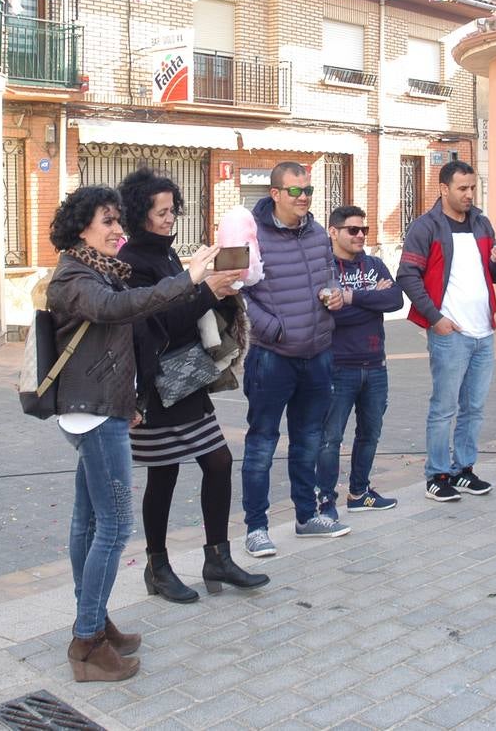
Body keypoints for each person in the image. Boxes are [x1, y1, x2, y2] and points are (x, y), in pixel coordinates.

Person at [46, 185, 230, 682]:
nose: (117, 230)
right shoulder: (74, 277)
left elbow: (125, 332)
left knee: (88, 523)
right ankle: (87, 643)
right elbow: (119, 310)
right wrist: (189, 280)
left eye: (118, 220)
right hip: (92, 413)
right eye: (107, 221)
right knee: (113, 526)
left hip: (103, 406)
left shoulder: (97, 271)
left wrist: (130, 400)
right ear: (81, 226)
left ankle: (93, 621)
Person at [117, 169, 266, 604]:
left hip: (187, 381)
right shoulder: (133, 263)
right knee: (163, 475)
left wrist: (215, 287)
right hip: (158, 386)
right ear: (139, 214)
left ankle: (216, 557)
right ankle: (157, 566)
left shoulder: (165, 255)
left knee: (218, 461)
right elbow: (158, 324)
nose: (169, 220)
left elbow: (182, 310)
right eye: (161, 212)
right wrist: (207, 291)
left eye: (172, 211)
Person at [240, 162, 347, 558]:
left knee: (308, 441)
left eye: (309, 192)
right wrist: (272, 329)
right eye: (296, 192)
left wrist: (334, 293)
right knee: (262, 444)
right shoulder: (250, 236)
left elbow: (329, 276)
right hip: (273, 357)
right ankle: (256, 527)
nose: (304, 199)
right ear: (275, 194)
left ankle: (306, 516)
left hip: (317, 354)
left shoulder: (319, 234)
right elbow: (235, 292)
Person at [398, 160, 496, 501]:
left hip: (483, 331)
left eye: (472, 188)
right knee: (444, 407)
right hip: (450, 332)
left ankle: (464, 470)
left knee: (474, 407)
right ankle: (437, 475)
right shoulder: (426, 226)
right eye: (462, 188)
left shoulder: (481, 222)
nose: (469, 194)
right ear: (444, 189)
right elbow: (407, 275)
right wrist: (435, 318)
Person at [315, 205, 404, 519]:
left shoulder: (375, 263)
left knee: (370, 432)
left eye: (363, 230)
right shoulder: (323, 267)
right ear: (334, 232)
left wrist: (351, 297)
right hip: (339, 367)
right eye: (353, 230)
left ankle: (359, 493)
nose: (360, 235)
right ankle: (325, 501)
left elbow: (395, 300)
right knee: (330, 438)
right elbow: (330, 316)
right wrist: (371, 301)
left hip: (375, 364)